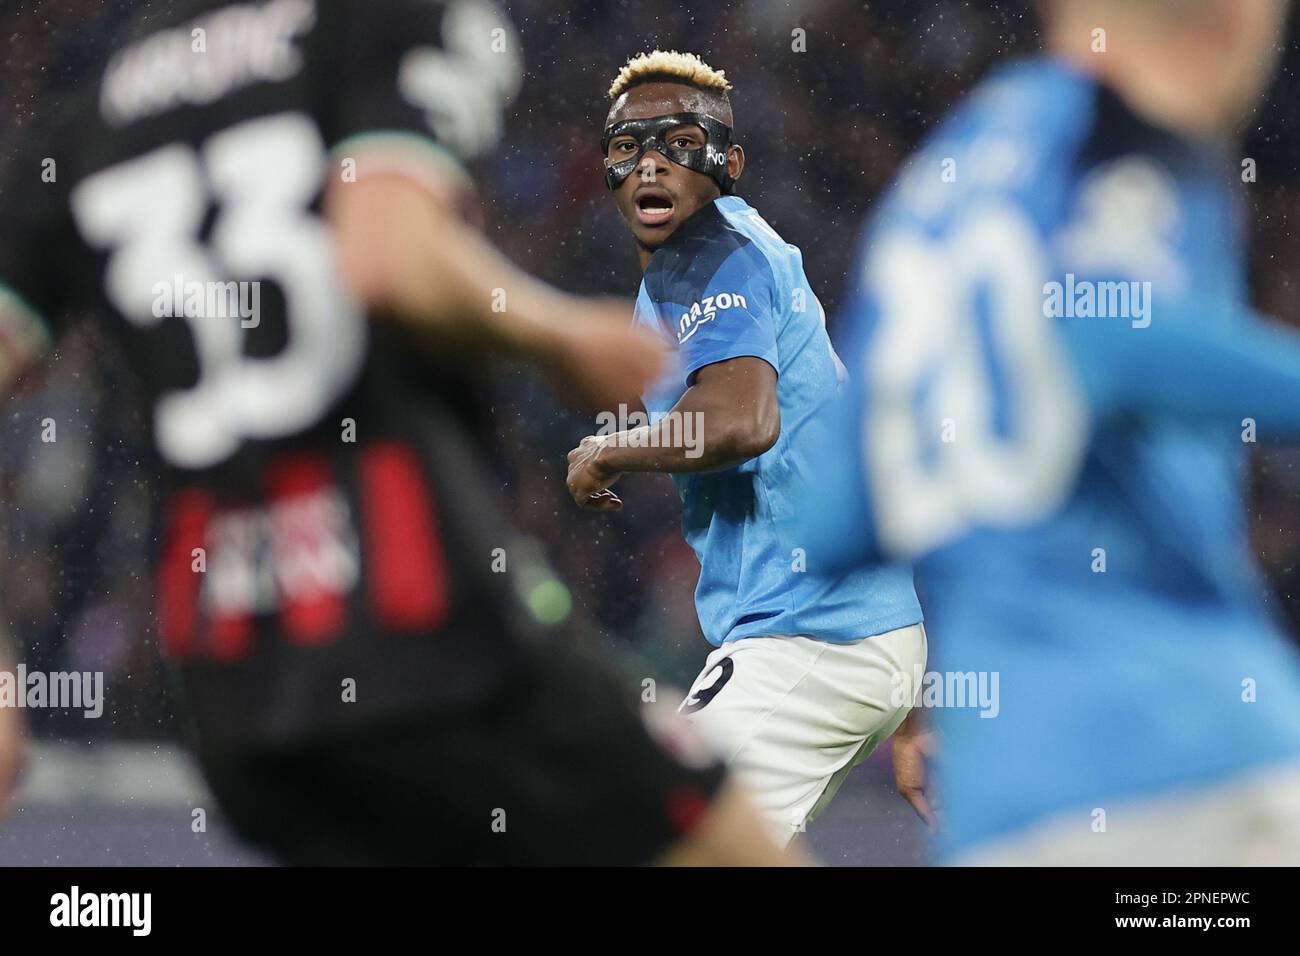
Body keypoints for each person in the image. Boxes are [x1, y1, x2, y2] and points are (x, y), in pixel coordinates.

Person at [0, 0, 793, 866]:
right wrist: (560, 336)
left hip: (237, 690)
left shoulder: (88, 118)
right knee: (735, 847)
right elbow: (388, 255)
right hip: (427, 630)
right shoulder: (390, 17)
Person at [801, 0, 1300, 863]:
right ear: (1236, 15)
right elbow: (1099, 337)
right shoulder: (1125, 131)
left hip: (1005, 805)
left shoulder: (938, 184)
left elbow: (834, 514)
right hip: (1189, 766)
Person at [566, 50, 932, 845]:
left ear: (728, 164)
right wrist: (913, 699)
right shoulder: (742, 251)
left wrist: (612, 450)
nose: (651, 163)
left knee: (661, 841)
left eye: (679, 142)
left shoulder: (708, 259)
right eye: (629, 146)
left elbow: (743, 422)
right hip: (850, 631)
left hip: (813, 634)